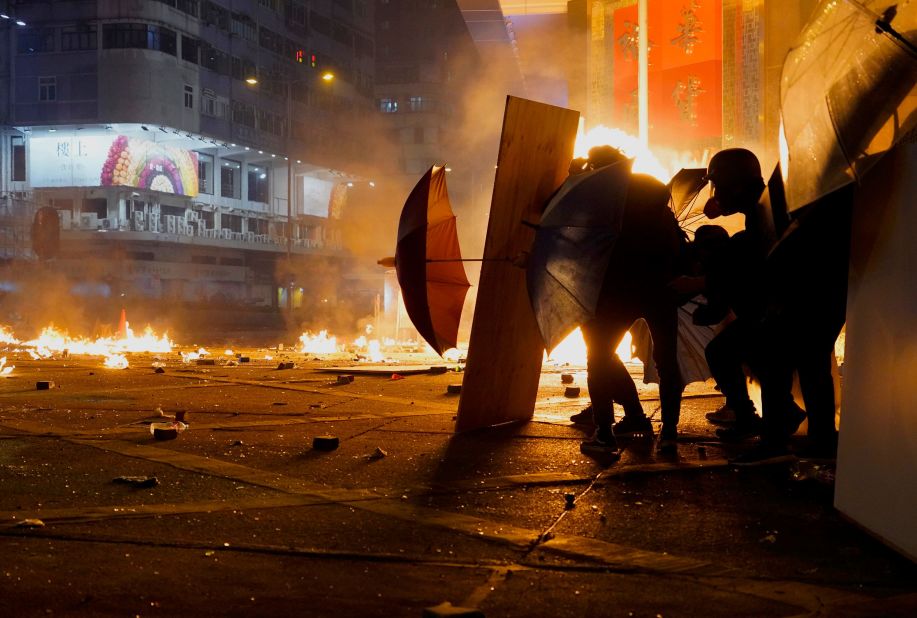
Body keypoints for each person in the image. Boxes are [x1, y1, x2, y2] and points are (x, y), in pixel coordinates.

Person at [579, 146, 686, 458]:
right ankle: (669, 433)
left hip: (617, 290)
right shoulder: (655, 196)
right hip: (661, 288)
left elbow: (564, 220)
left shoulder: (602, 199)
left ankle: (604, 433)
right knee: (667, 363)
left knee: (598, 358)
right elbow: (676, 246)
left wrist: (574, 179)